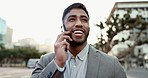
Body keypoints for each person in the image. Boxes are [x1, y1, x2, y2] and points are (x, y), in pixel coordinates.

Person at [31, 2, 127, 78]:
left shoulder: (112, 64)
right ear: (62, 28)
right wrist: (58, 62)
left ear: (88, 27)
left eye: (84, 20)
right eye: (72, 19)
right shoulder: (45, 61)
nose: (79, 24)